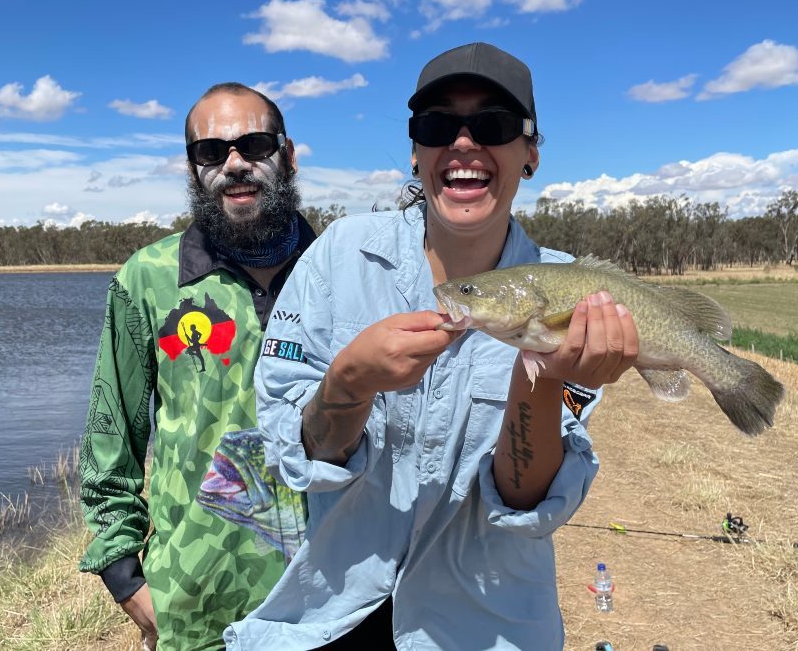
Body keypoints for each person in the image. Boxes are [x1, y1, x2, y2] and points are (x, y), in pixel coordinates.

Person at [225, 43, 639, 650]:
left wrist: (543, 379)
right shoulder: (340, 256)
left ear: (530, 154)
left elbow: (525, 501)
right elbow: (295, 457)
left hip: (483, 629)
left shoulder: (576, 297)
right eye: (438, 125)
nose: (464, 144)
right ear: (417, 152)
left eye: (493, 125)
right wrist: (348, 384)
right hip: (334, 616)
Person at [78, 82, 316, 650]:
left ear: (287, 156)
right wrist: (125, 577)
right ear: (192, 169)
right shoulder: (148, 278)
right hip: (196, 610)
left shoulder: (342, 271)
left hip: (334, 602)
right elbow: (111, 434)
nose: (234, 164)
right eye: (211, 152)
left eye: (254, 145)